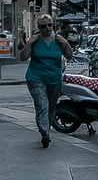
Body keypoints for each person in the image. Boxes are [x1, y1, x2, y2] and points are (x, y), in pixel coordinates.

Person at [19, 14, 74, 147]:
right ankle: (44, 132)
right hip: (36, 78)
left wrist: (66, 43)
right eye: (43, 26)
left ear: (53, 25)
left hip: (54, 79)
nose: (47, 28)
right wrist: (29, 43)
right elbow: (23, 58)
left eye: (49, 25)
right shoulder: (35, 40)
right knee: (42, 104)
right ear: (39, 27)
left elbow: (69, 56)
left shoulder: (58, 40)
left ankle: (47, 130)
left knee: (51, 107)